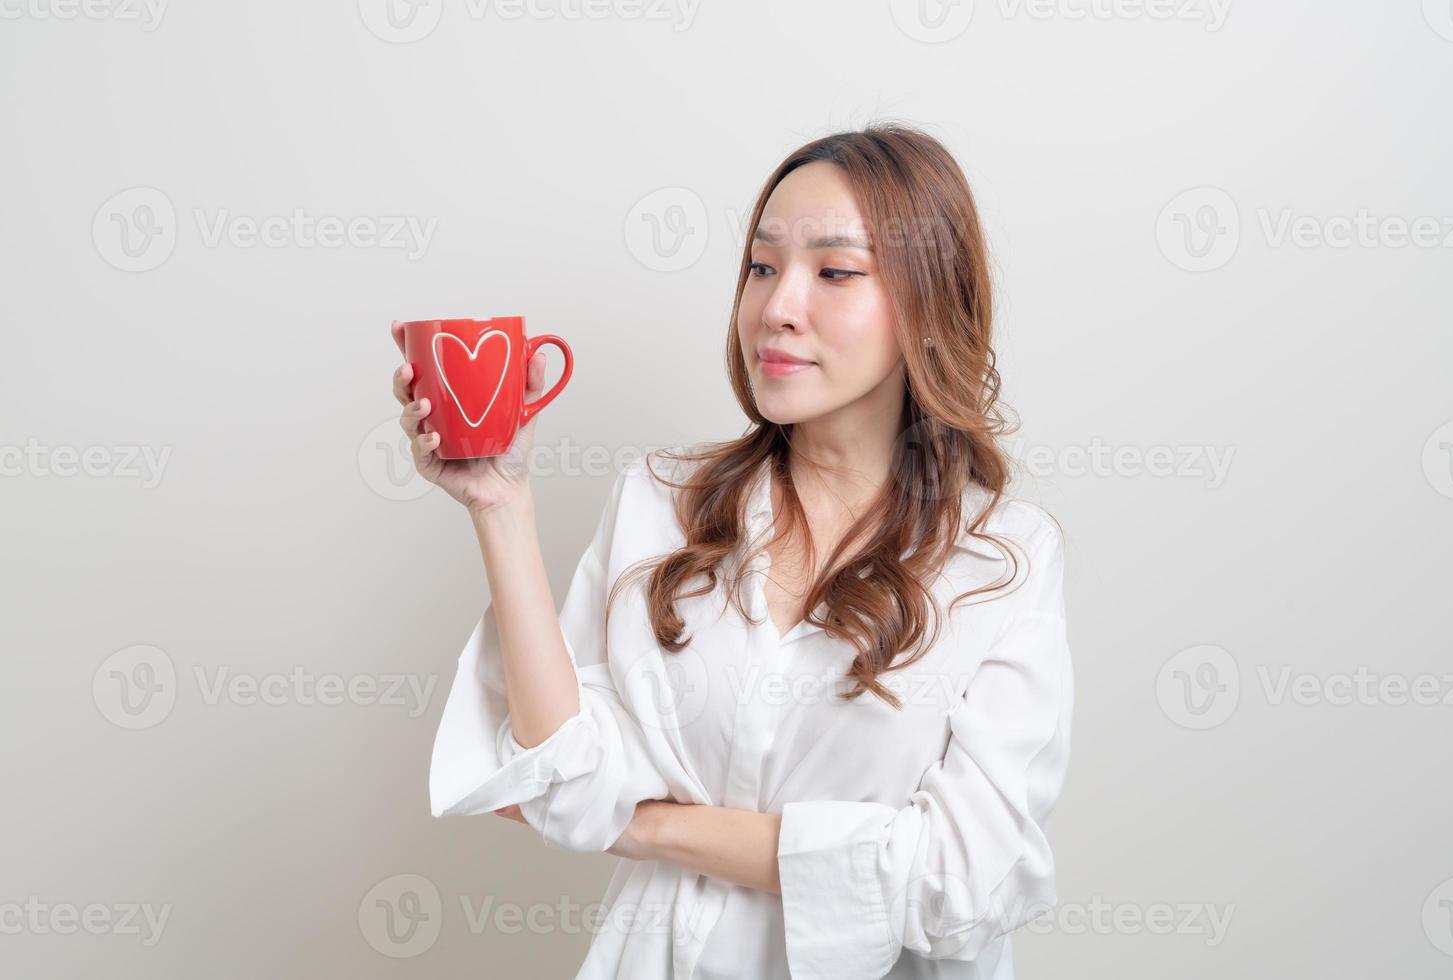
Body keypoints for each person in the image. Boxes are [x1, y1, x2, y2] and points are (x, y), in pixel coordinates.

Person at [392, 123, 1074, 979]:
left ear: (929, 303)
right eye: (761, 266)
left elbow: (959, 881)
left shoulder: (1002, 558)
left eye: (834, 271)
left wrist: (653, 825)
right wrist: (500, 505)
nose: (777, 306)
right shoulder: (662, 501)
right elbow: (560, 775)